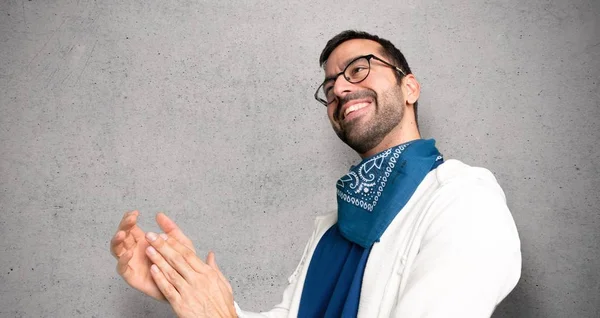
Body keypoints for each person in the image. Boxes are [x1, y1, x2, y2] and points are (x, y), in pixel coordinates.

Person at [110, 30, 522, 318]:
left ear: (410, 87)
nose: (340, 89)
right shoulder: (332, 229)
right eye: (329, 86)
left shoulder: (464, 200)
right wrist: (186, 286)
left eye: (359, 69)